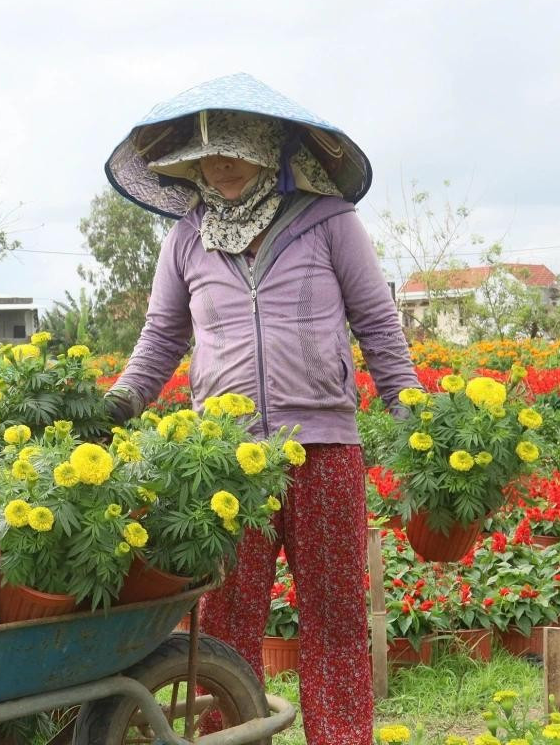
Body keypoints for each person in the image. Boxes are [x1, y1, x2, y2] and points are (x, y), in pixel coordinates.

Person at [103, 74, 419, 744]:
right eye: (206, 155)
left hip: (325, 448)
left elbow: (378, 323)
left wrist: (411, 412)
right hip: (225, 463)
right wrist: (121, 400)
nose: (218, 165)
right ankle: (231, 737)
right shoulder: (187, 236)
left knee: (334, 616)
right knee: (226, 620)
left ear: (268, 149)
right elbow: (162, 336)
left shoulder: (328, 221)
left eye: (234, 149)